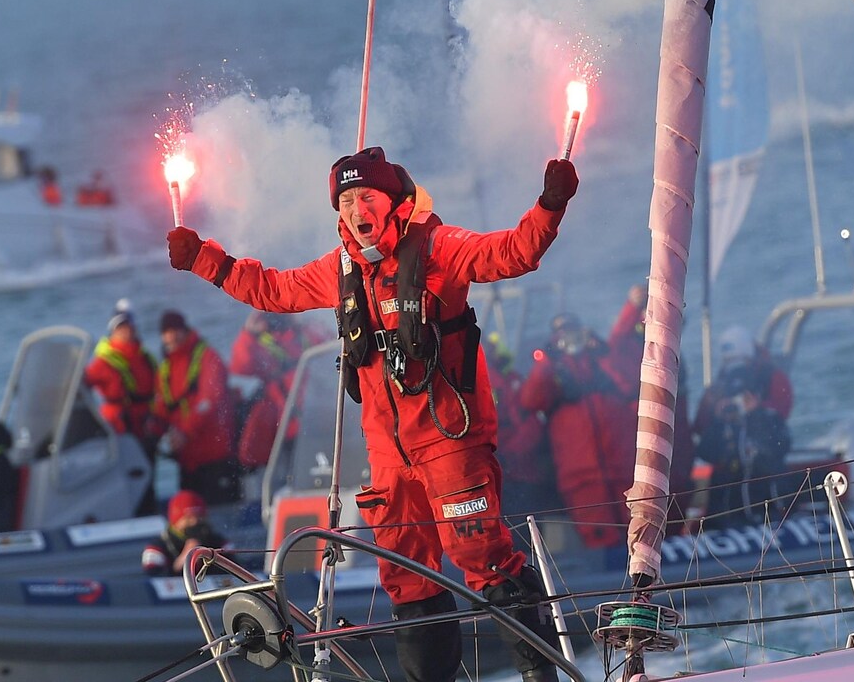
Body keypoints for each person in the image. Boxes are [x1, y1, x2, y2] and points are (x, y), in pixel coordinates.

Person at [165, 146, 578, 682]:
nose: (357, 208)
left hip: (449, 438)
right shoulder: (338, 270)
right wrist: (204, 258)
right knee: (407, 579)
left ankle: (541, 675)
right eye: (347, 199)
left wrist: (550, 202)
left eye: (367, 196)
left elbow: (514, 252)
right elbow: (271, 289)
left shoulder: (439, 246)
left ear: (393, 201)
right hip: (388, 454)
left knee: (485, 558)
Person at [520, 313, 637, 549]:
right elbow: (530, 400)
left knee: (638, 534)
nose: (569, 338)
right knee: (601, 542)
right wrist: (548, 361)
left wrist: (600, 350)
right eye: (562, 333)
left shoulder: (600, 361)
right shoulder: (552, 372)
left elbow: (629, 383)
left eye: (573, 330)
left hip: (623, 471)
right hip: (582, 479)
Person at [606, 284, 696, 532]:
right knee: (653, 487)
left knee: (680, 484)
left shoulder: (675, 352)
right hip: (651, 429)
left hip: (678, 433)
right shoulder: (631, 349)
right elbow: (616, 340)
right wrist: (632, 305)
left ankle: (675, 536)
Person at [151, 310, 241, 505]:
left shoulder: (208, 358)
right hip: (187, 460)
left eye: (175, 331)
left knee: (221, 514)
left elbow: (209, 401)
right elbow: (162, 407)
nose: (171, 337)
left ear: (184, 331)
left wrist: (184, 432)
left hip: (215, 457)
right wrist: (153, 433)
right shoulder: (166, 368)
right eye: (166, 332)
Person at [83, 298, 161, 514]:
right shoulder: (103, 361)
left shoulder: (145, 357)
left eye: (128, 325)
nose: (125, 331)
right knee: (128, 479)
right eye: (120, 327)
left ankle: (149, 515)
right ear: (112, 331)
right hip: (120, 429)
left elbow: (158, 389)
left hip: (145, 427)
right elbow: (81, 383)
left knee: (148, 477)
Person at [695, 366, 792, 525]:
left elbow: (778, 448)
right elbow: (704, 453)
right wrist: (718, 421)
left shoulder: (770, 420)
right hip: (729, 512)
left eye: (744, 397)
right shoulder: (724, 426)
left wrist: (754, 415)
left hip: (768, 510)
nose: (739, 403)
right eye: (734, 397)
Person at [228, 310, 311, 471]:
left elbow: (332, 348)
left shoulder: (305, 332)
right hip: (284, 425)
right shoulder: (260, 343)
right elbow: (241, 366)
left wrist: (300, 318)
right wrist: (248, 333)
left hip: (315, 418)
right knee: (289, 473)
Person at [483, 331, 553, 518]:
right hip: (501, 474)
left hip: (519, 473)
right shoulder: (502, 380)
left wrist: (511, 455)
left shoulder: (510, 379)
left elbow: (530, 421)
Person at [693, 325, 794, 440]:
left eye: (739, 360)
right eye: (729, 362)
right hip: (728, 449)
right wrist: (716, 412)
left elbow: (782, 414)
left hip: (764, 444)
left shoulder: (773, 378)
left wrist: (757, 409)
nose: (735, 368)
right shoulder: (718, 386)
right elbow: (700, 429)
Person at [141, 489, 234, 577]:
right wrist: (183, 561)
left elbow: (235, 571)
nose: (194, 522)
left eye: (199, 517)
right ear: (176, 521)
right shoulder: (157, 547)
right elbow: (153, 578)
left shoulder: (218, 543)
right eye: (188, 518)